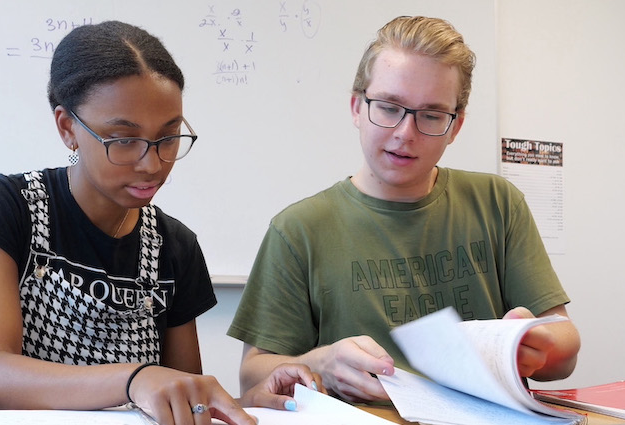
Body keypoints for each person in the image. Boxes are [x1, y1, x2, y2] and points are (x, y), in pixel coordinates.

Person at [0, 21, 318, 425]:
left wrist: (246, 402)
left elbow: (182, 395)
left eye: (168, 138)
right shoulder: (5, 208)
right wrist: (135, 378)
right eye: (123, 140)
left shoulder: (173, 245)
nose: (152, 164)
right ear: (68, 128)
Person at [227, 16, 581, 403]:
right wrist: (320, 361)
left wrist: (537, 345)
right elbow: (250, 379)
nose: (404, 133)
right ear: (356, 108)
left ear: (455, 127)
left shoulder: (497, 202)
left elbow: (563, 348)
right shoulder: (298, 229)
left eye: (431, 115)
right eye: (389, 107)